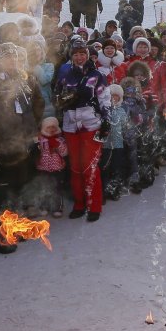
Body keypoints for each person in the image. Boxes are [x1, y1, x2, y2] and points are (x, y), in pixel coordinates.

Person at [0, 43, 44, 252]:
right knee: (1, 192)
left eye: (14, 56)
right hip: (4, 146)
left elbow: (38, 104)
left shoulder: (26, 80)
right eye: (6, 57)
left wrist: (33, 130)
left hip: (23, 144)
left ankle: (13, 229)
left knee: (19, 188)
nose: (12, 60)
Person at [54, 39, 108, 221]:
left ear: (87, 54)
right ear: (71, 56)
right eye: (76, 54)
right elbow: (57, 97)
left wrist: (106, 121)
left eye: (82, 53)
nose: (79, 57)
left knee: (90, 167)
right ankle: (79, 203)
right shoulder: (64, 74)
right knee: (75, 168)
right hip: (70, 125)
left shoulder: (96, 75)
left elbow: (104, 99)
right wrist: (64, 100)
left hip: (91, 124)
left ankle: (95, 206)